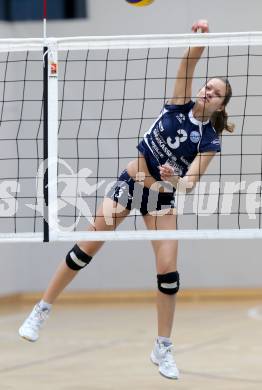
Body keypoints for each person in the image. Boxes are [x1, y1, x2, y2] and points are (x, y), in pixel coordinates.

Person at [19, 19, 234, 380]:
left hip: (161, 194)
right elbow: (189, 62)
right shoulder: (178, 104)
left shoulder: (209, 140)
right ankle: (41, 309)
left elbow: (191, 183)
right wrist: (200, 38)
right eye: (207, 86)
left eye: (215, 92)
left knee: (169, 275)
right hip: (132, 182)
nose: (207, 91)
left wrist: (174, 178)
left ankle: (162, 347)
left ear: (220, 105)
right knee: (84, 249)